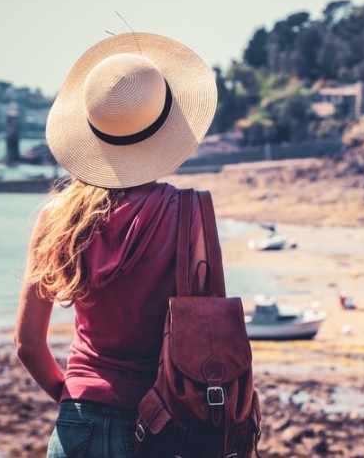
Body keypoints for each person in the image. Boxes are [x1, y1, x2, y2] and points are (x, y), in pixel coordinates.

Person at [14, 32, 218, 457]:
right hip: (162, 423)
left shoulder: (57, 219)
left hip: (77, 425)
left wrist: (75, 400)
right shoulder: (187, 214)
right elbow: (208, 331)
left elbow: (28, 345)